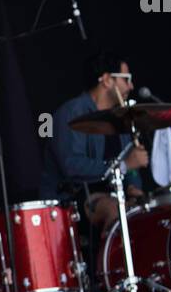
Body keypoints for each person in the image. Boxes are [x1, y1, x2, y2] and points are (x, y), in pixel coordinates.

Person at [38, 50, 149, 231]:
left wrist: (133, 188)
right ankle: (108, 260)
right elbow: (72, 166)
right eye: (126, 79)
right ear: (106, 80)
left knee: (148, 210)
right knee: (115, 210)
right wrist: (122, 166)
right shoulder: (72, 112)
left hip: (114, 192)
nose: (131, 86)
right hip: (73, 197)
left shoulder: (120, 117)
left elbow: (131, 165)